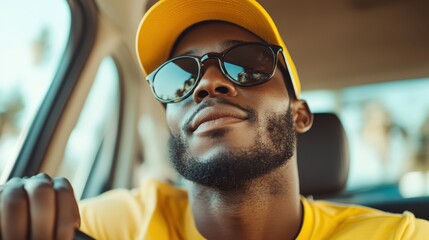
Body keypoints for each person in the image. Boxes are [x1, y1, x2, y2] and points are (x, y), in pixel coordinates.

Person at [0, 0, 428, 239]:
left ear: (299, 114)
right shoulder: (123, 223)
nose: (206, 85)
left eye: (245, 63)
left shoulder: (393, 235)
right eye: (179, 76)